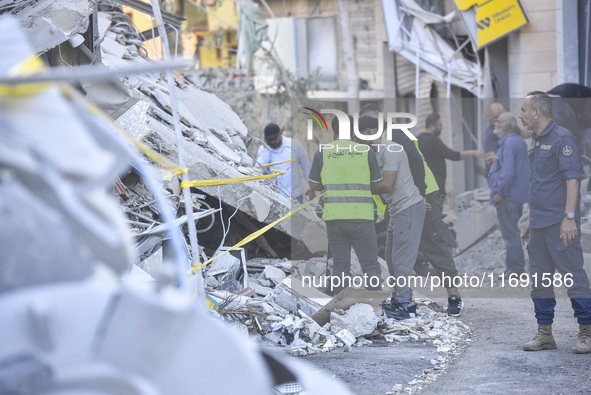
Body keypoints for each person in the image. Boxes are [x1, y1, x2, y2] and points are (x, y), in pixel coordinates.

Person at [359, 105, 464, 316]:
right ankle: (400, 298)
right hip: (399, 201)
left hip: (422, 194)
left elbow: (415, 161)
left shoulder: (395, 134)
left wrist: (420, 194)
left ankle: (454, 296)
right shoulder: (374, 142)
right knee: (396, 251)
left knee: (432, 241)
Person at [519, 91, 591, 354]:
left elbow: (573, 179)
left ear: (537, 112)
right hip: (539, 225)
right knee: (539, 281)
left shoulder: (562, 138)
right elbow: (539, 184)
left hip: (560, 225)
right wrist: (530, 218)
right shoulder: (537, 141)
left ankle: (586, 332)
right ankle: (545, 333)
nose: (521, 115)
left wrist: (569, 218)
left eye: (524, 110)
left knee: (573, 277)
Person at [308, 116, 387, 295]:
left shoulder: (323, 151)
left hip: (334, 218)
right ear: (353, 131)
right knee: (369, 265)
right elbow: (376, 183)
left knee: (340, 265)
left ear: (333, 131)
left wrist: (328, 186)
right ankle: (376, 307)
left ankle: (340, 308)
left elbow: (313, 184)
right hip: (361, 217)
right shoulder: (365, 151)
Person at [356, 116, 425, 320]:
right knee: (392, 260)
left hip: (408, 207)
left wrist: (360, 187)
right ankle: (401, 298)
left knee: (401, 261)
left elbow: (387, 185)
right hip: (397, 209)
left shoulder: (391, 149)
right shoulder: (374, 153)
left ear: (369, 132)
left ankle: (405, 304)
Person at [488, 112, 529, 276]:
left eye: (498, 122)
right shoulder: (516, 141)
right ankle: (514, 268)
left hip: (508, 197)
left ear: (506, 126)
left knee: (510, 235)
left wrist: (499, 193)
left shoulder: (510, 143)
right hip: (515, 196)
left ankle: (515, 270)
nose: (495, 124)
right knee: (513, 233)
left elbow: (508, 173)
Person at [417, 113, 484, 198]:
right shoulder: (434, 141)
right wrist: (474, 152)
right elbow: (454, 155)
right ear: (432, 126)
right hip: (436, 185)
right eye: (439, 125)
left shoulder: (417, 139)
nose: (442, 127)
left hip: (423, 185)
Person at [256, 123, 314, 204]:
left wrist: (311, 188)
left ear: (280, 134)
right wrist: (266, 151)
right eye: (269, 140)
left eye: (274, 139)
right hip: (275, 196)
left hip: (295, 195)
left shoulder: (294, 144)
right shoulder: (263, 150)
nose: (272, 142)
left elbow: (306, 166)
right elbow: (258, 171)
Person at [483, 102, 505, 170]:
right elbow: (491, 160)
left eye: (500, 116)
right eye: (495, 117)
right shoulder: (489, 134)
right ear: (490, 116)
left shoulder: (505, 127)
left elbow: (520, 132)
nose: (498, 119)